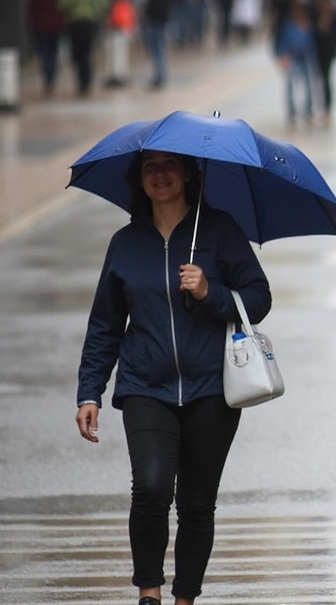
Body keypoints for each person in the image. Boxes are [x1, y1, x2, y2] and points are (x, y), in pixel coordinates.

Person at [76, 149, 270, 605]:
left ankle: (185, 598)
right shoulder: (125, 243)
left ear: (187, 174)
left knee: (197, 503)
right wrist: (90, 392)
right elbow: (105, 323)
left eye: (169, 166)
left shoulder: (219, 231)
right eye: (149, 167)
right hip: (145, 385)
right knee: (152, 486)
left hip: (212, 389)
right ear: (138, 179)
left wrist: (210, 291)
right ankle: (150, 594)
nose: (160, 175)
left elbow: (258, 299)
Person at [58, 0, 106, 96]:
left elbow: (62, 4)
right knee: (87, 51)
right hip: (90, 23)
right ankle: (87, 78)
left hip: (75, 23)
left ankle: (82, 79)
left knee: (78, 53)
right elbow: (102, 6)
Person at [274, 0, 316, 126]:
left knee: (308, 85)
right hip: (291, 57)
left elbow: (311, 42)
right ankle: (291, 112)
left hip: (304, 57)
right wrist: (281, 55)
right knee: (290, 85)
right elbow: (279, 41)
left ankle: (308, 111)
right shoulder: (286, 25)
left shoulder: (306, 23)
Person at [26, 0, 66, 95]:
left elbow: (31, 7)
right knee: (52, 52)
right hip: (55, 26)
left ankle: (48, 75)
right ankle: (50, 75)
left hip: (40, 26)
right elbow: (63, 7)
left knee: (44, 53)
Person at [311, 0, 336, 126]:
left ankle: (327, 108)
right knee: (318, 81)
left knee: (326, 80)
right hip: (317, 53)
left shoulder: (334, 16)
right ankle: (318, 107)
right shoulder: (315, 16)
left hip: (328, 54)